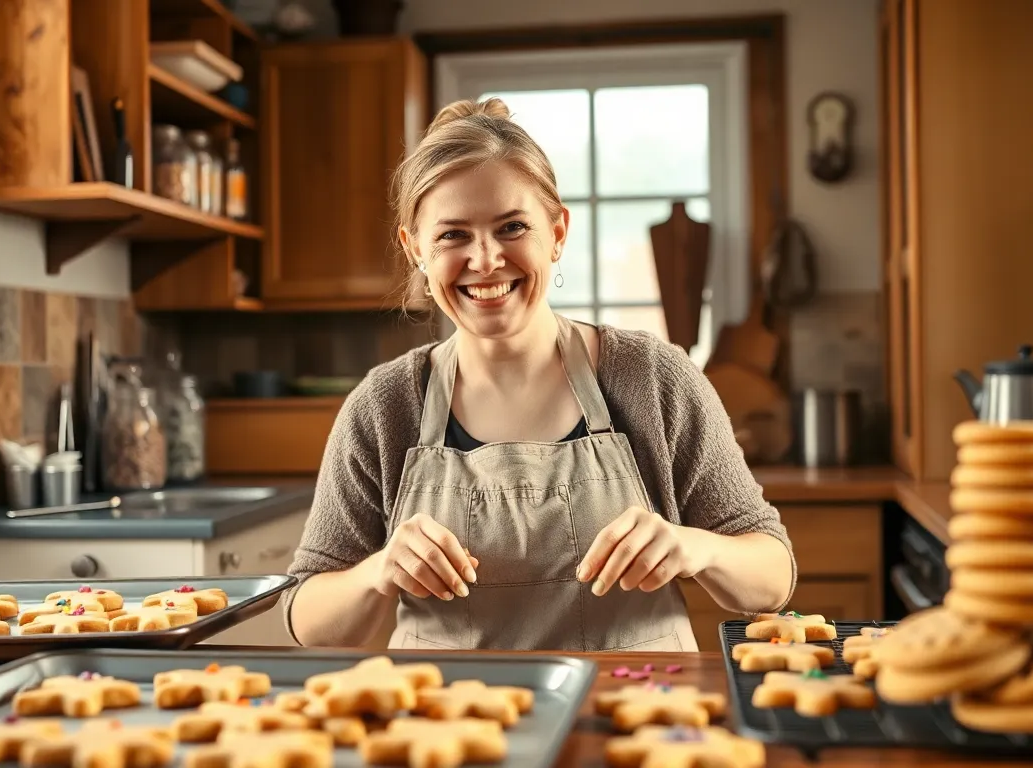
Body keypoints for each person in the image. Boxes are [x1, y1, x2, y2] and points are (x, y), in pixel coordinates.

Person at [282, 98, 795, 652]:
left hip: (638, 718)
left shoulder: (653, 378)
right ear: (415, 251)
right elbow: (308, 620)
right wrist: (376, 572)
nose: (485, 260)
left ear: (557, 232)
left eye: (512, 227)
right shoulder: (385, 407)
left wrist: (697, 547)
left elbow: (772, 577)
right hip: (449, 725)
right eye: (453, 235)